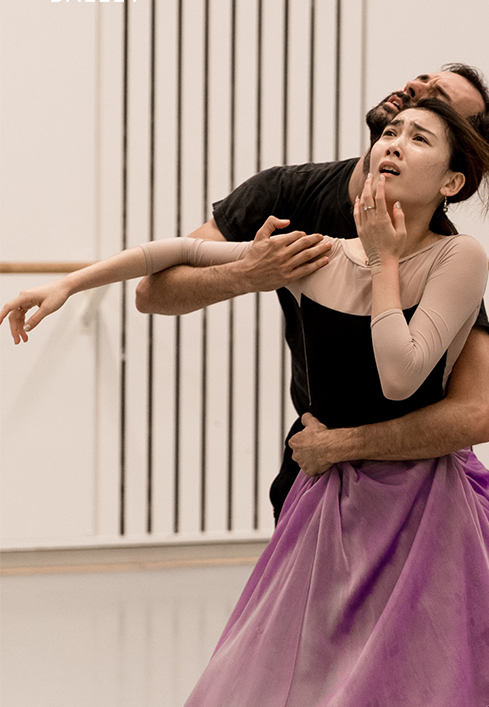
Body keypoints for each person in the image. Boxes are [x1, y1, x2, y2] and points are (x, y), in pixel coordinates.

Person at [2, 99, 489, 702]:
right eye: (390, 132)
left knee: (412, 680)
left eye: (418, 138)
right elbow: (175, 253)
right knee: (279, 676)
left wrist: (385, 258)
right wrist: (69, 284)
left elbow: (400, 376)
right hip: (328, 498)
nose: (393, 143)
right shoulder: (324, 255)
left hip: (424, 506)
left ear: (451, 181)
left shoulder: (459, 258)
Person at [135, 63, 489, 524]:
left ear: (451, 175)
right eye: (421, 82)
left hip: (408, 487)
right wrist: (250, 273)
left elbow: (476, 410)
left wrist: (346, 445)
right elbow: (153, 291)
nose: (415, 89)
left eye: (434, 106)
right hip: (314, 463)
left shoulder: (445, 258)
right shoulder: (289, 193)